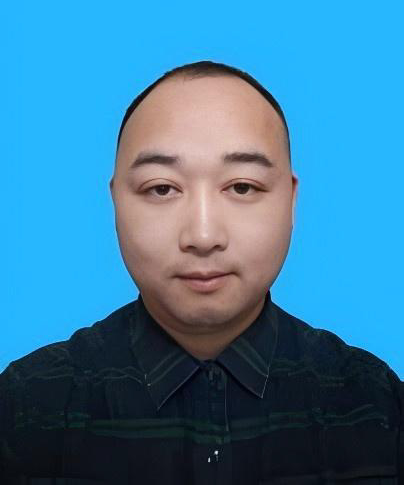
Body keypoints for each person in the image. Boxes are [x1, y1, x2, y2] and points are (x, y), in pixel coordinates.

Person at [0, 60, 402, 484]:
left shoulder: (376, 406)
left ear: (290, 199)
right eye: (162, 188)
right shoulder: (27, 409)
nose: (203, 236)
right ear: (116, 200)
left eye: (242, 186)